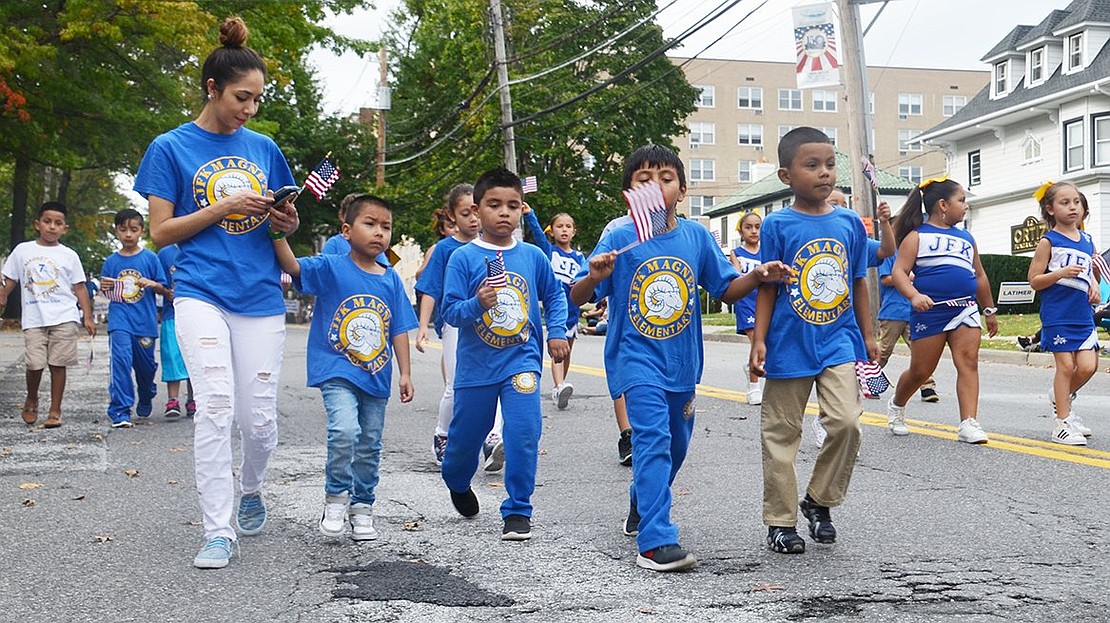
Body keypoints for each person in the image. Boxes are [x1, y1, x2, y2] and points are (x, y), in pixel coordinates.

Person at [571, 144, 789, 572]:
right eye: (643, 180)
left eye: (666, 178)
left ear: (683, 190)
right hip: (636, 361)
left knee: (675, 445)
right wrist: (594, 276)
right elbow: (580, 294)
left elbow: (725, 288)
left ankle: (642, 499)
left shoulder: (695, 236)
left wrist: (758, 275)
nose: (656, 186)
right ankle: (656, 538)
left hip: (683, 364)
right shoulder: (619, 235)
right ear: (628, 193)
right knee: (651, 440)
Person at [135, 16, 301, 569]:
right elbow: (160, 233)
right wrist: (225, 206)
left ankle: (251, 487)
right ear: (212, 88)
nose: (249, 110)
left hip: (259, 295)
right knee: (217, 407)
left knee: (258, 419)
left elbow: (279, 228)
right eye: (241, 98)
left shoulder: (264, 147)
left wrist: (285, 219)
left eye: (256, 100)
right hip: (200, 289)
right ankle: (217, 528)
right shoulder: (170, 147)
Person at [748, 127, 877, 555]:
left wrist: (868, 333)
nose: (824, 173)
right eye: (811, 165)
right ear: (786, 175)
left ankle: (819, 500)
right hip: (788, 342)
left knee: (846, 422)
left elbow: (858, 280)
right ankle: (780, 521)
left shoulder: (848, 223)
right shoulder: (777, 224)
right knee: (781, 433)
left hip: (838, 339)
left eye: (828, 164)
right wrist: (758, 341)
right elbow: (767, 286)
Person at [273, 194, 417, 539]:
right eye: (370, 224)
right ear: (347, 230)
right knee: (345, 431)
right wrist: (278, 235)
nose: (379, 232)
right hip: (336, 368)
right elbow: (293, 267)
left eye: (386, 227)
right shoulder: (331, 266)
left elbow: (398, 328)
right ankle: (336, 497)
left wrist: (406, 372)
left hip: (376, 374)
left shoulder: (390, 278)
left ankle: (362, 506)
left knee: (369, 444)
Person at [440, 167, 569, 542]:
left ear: (521, 209)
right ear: (476, 210)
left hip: (522, 361)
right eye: (494, 205)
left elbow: (555, 296)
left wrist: (557, 331)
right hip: (477, 369)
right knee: (465, 440)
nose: (504, 213)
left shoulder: (531, 256)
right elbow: (450, 312)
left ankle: (517, 510)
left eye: (513, 205)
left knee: (524, 431)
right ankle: (457, 481)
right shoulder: (463, 258)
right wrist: (476, 303)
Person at [887, 176, 997, 445]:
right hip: (930, 311)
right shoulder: (917, 236)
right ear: (943, 205)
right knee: (921, 371)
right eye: (962, 201)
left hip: (965, 309)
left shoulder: (966, 238)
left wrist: (989, 310)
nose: (966, 206)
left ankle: (969, 422)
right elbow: (899, 272)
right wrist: (914, 295)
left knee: (968, 362)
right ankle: (897, 404)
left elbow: (979, 276)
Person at [415, 184, 502, 468]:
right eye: (465, 213)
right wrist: (423, 326)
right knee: (456, 383)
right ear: (453, 216)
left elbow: (502, 286)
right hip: (455, 321)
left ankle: (493, 438)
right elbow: (430, 290)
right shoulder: (445, 249)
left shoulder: (491, 246)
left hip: (489, 321)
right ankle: (442, 434)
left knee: (499, 378)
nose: (473, 219)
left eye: (476, 211)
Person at [0, 201, 97, 429]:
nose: (52, 227)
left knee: (58, 364)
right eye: (47, 222)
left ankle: (55, 410)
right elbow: (11, 279)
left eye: (58, 223)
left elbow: (80, 287)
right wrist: (3, 297)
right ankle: (32, 397)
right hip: (34, 317)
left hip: (64, 316)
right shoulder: (23, 251)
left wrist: (88, 317)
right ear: (37, 224)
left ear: (65, 228)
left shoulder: (69, 255)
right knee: (34, 364)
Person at [1027, 181, 1097, 445]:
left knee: (1089, 366)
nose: (1072, 208)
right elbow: (1034, 279)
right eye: (1065, 203)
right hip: (1057, 314)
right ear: (1051, 209)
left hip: (1083, 314)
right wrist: (1058, 274)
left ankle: (1060, 397)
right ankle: (1062, 423)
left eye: (1076, 202)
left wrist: (1093, 286)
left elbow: (1089, 272)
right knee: (1066, 366)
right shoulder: (1049, 241)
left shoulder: (1087, 241)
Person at [100, 209, 168, 428]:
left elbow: (164, 289)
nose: (128, 234)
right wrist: (105, 287)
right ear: (116, 231)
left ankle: (147, 392)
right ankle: (120, 411)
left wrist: (153, 284)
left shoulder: (150, 258)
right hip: (120, 320)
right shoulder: (111, 261)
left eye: (133, 229)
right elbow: (106, 289)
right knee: (120, 362)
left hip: (145, 323)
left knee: (145, 368)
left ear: (141, 231)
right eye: (123, 229)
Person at [521, 205, 585, 409]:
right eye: (559, 226)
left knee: (568, 350)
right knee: (558, 348)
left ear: (574, 231)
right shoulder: (550, 252)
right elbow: (539, 236)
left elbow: (586, 275)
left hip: (574, 307)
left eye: (568, 226)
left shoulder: (579, 257)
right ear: (553, 231)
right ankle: (559, 384)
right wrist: (530, 215)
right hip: (558, 305)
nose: (564, 230)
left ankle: (560, 386)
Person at [157, 243, 195, 417]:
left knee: (194, 357)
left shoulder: (201, 245)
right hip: (171, 314)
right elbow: (159, 282)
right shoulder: (165, 253)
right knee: (172, 355)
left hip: (198, 312)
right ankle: (173, 399)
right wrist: (166, 292)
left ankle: (193, 399)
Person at [729, 212, 763, 406]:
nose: (753, 231)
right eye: (749, 227)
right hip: (746, 303)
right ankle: (754, 388)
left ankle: (750, 366)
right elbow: (736, 276)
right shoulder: (737, 253)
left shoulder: (766, 251)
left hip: (764, 303)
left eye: (757, 227)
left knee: (766, 343)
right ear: (741, 231)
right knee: (755, 341)